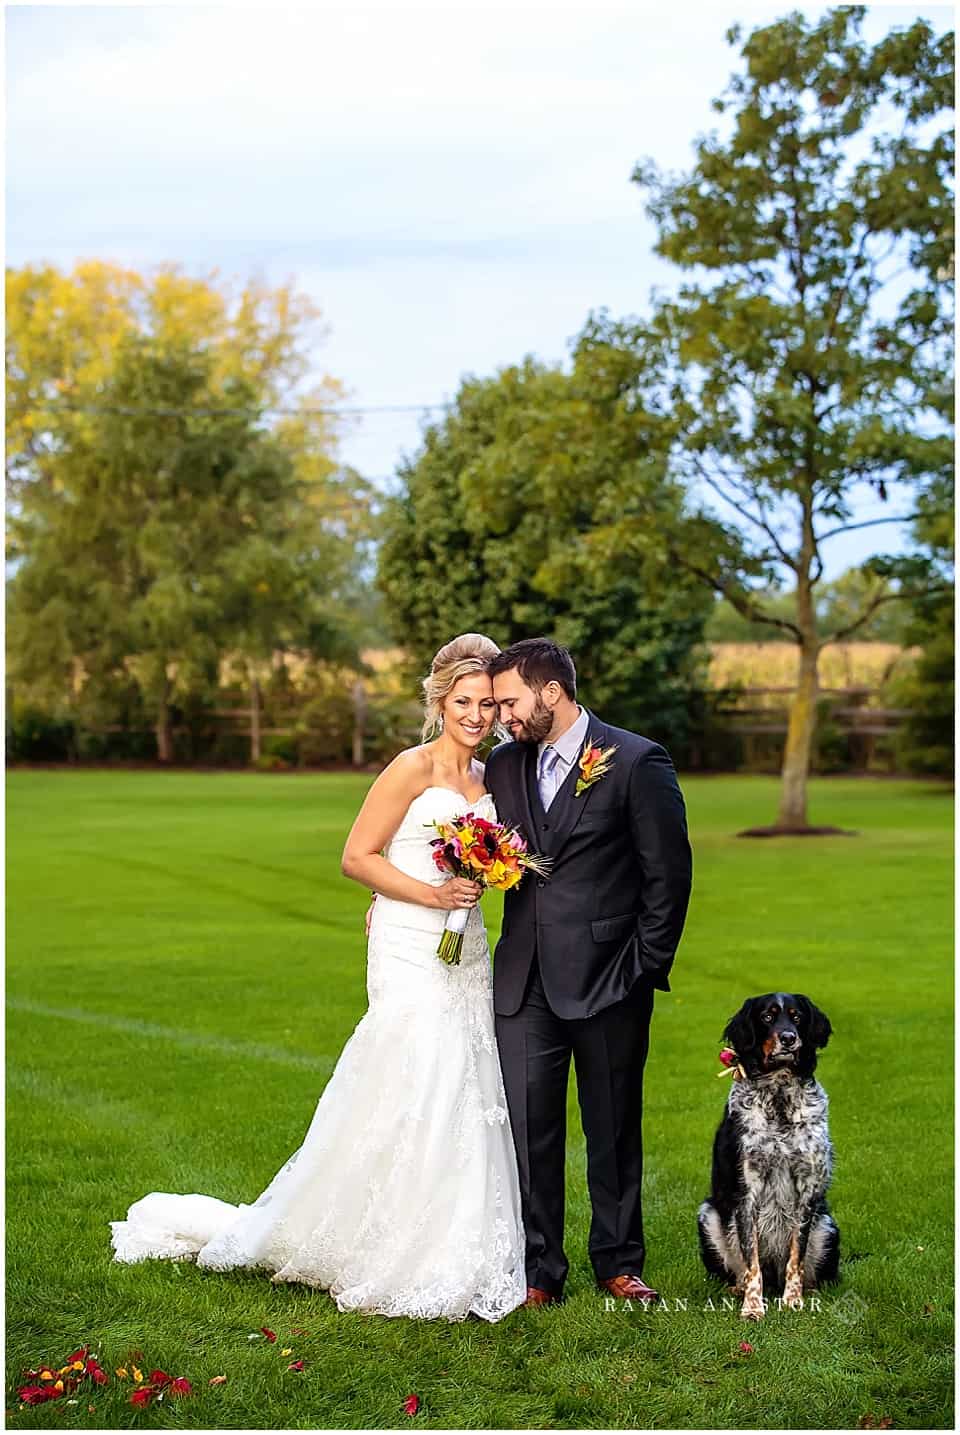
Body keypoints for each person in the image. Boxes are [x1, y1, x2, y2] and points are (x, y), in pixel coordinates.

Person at [109, 633, 526, 1323]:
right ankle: (382, 1239)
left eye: (487, 703)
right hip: (412, 937)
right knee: (414, 1070)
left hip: (467, 944)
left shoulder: (491, 779)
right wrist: (429, 896)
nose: (477, 715)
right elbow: (357, 855)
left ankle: (453, 1240)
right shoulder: (409, 767)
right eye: (463, 702)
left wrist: (484, 878)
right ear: (439, 700)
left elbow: (495, 856)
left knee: (465, 1078)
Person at [484, 638, 692, 1306]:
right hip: (522, 981)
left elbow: (669, 875)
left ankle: (619, 1260)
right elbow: (451, 828)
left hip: (610, 980)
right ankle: (540, 1269)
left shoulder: (636, 760)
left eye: (510, 702)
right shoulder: (502, 765)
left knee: (612, 1126)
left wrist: (643, 967)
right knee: (528, 1129)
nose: (502, 717)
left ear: (550, 691)